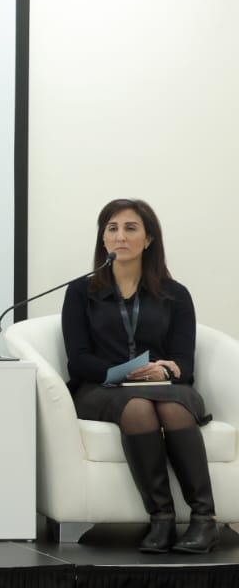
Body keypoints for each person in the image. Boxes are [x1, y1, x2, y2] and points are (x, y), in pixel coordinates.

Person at [62, 198, 216, 554]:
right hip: (102, 388)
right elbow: (79, 361)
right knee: (137, 407)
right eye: (112, 229)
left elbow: (184, 362)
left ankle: (204, 520)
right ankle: (161, 518)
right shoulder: (81, 292)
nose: (120, 236)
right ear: (103, 239)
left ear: (148, 239)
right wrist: (122, 373)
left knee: (172, 407)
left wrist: (164, 368)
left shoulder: (175, 295)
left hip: (166, 387)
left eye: (131, 228)